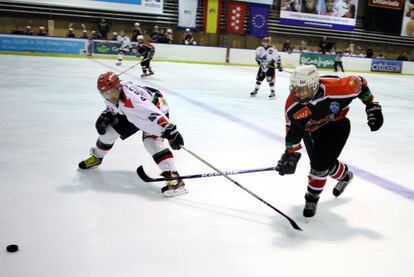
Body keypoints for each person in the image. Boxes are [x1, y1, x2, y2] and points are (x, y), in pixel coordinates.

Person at [275, 65, 384, 217]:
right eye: (295, 88)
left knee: (319, 166)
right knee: (322, 164)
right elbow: (293, 131)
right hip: (311, 130)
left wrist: (371, 105)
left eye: (302, 89)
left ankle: (311, 199)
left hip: (336, 126)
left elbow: (360, 83)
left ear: (313, 85)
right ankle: (345, 176)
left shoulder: (339, 88)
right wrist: (290, 154)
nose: (297, 93)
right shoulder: (293, 105)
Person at [78, 72, 187, 197]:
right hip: (129, 111)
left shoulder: (134, 100)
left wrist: (170, 130)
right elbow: (114, 105)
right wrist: (108, 113)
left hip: (156, 108)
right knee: (108, 133)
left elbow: (153, 114)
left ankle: (175, 179)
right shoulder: (110, 93)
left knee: (151, 143)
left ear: (118, 87)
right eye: (105, 93)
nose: (109, 96)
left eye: (112, 92)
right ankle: (97, 157)